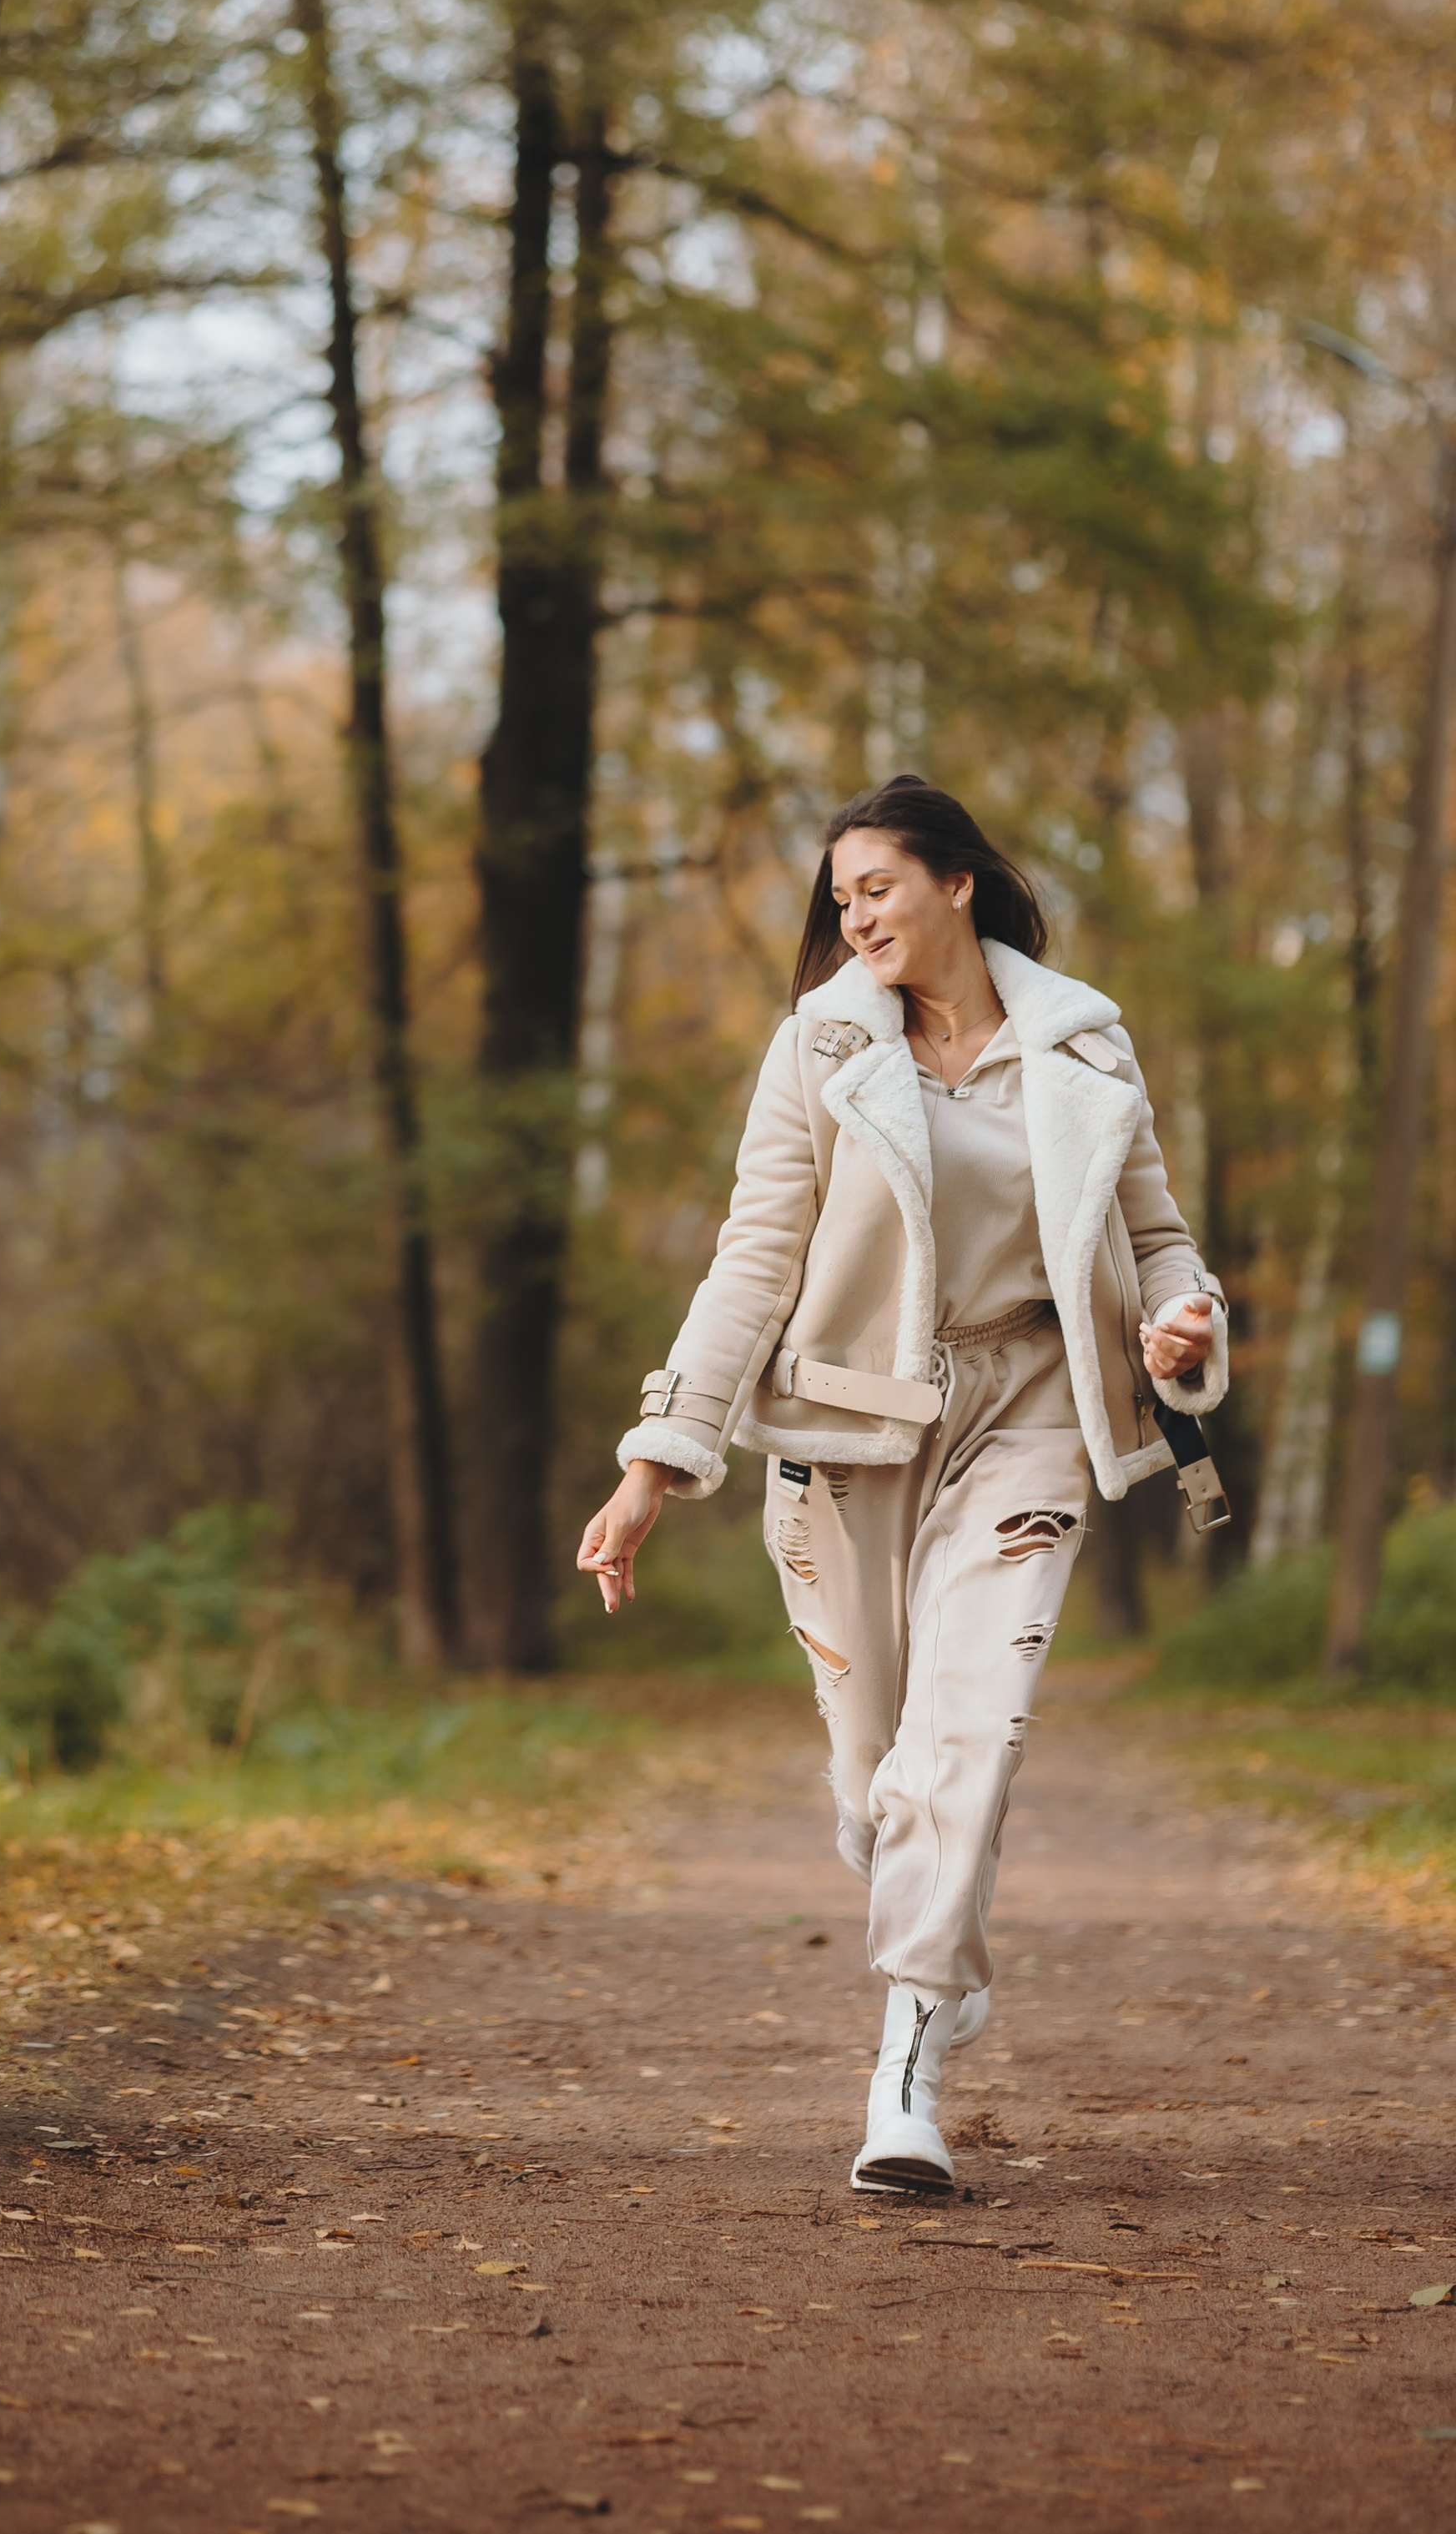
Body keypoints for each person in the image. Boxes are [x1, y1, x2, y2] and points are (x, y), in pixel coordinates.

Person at [577, 775, 1225, 2197]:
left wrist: (1183, 1325)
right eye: (842, 895)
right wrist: (653, 1459)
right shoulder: (819, 1049)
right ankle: (936, 1948)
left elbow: (1159, 1239)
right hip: (848, 1426)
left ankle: (908, 2073)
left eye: (876, 884)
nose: (853, 912)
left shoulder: (1081, 1042)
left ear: (957, 884)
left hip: (1031, 1409)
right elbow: (754, 1256)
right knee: (880, 1784)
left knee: (973, 1729)